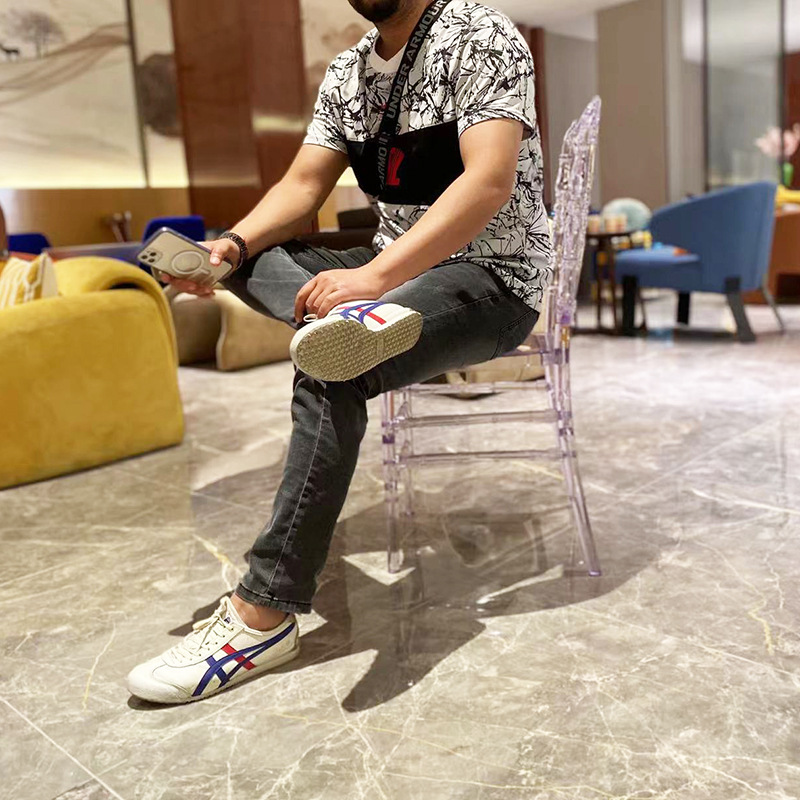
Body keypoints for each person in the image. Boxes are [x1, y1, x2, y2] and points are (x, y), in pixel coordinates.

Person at [126, 0, 551, 704]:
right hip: (397, 274)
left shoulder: (479, 33)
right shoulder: (349, 72)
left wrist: (374, 278)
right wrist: (228, 247)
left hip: (491, 278)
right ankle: (357, 321)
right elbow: (302, 186)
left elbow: (488, 181)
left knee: (332, 367)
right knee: (258, 261)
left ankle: (263, 614)